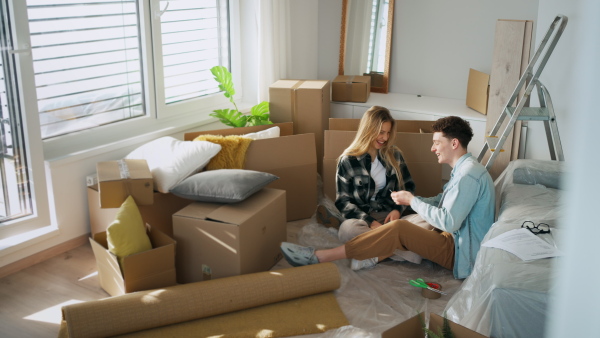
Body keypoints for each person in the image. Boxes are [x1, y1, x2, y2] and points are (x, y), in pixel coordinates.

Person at [282, 116, 495, 279]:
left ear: (454, 143)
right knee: (393, 226)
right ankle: (375, 249)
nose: (432, 148)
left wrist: (411, 201)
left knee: (400, 228)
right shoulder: (464, 169)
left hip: (459, 251)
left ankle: (322, 256)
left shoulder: (468, 175)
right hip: (439, 235)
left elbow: (449, 222)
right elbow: (442, 200)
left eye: (437, 143)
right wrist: (411, 200)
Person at [316, 106, 415, 244]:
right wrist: (371, 223)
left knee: (422, 224)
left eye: (388, 133)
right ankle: (395, 245)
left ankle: (372, 247)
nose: (385, 138)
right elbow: (343, 202)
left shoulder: (395, 155)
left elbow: (408, 187)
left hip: (390, 216)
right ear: (368, 130)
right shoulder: (348, 161)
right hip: (362, 218)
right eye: (381, 132)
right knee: (348, 231)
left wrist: (397, 210)